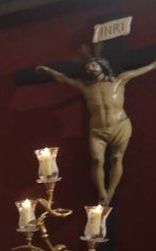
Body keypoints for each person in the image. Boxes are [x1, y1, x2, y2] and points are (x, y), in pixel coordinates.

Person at [37, 55, 156, 203]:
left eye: (93, 65)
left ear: (102, 66)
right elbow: (65, 79)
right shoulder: (86, 87)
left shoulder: (119, 80)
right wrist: (49, 71)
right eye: (87, 67)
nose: (89, 68)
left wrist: (153, 64)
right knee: (97, 159)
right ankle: (102, 192)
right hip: (97, 130)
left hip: (120, 126)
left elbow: (145, 69)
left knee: (117, 158)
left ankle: (111, 190)